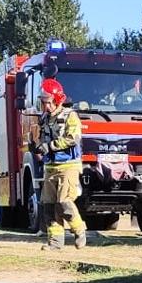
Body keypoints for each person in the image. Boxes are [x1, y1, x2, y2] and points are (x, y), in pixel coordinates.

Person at [35, 78, 87, 250]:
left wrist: (50, 146)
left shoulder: (70, 116)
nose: (46, 106)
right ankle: (55, 243)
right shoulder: (44, 119)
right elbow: (42, 140)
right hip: (50, 167)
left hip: (68, 166)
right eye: (43, 102)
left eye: (48, 102)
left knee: (64, 202)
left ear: (57, 100)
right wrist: (37, 148)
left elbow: (73, 139)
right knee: (49, 206)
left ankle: (79, 230)